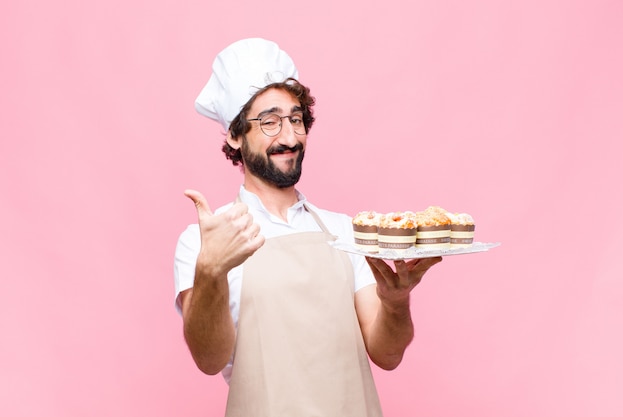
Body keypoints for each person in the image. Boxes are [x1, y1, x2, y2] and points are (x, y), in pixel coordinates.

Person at [173, 38, 442, 416]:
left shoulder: (344, 230)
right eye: (269, 122)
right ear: (234, 135)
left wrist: (396, 303)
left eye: (296, 119)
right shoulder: (203, 242)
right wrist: (211, 270)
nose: (289, 137)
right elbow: (209, 358)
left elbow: (387, 354)